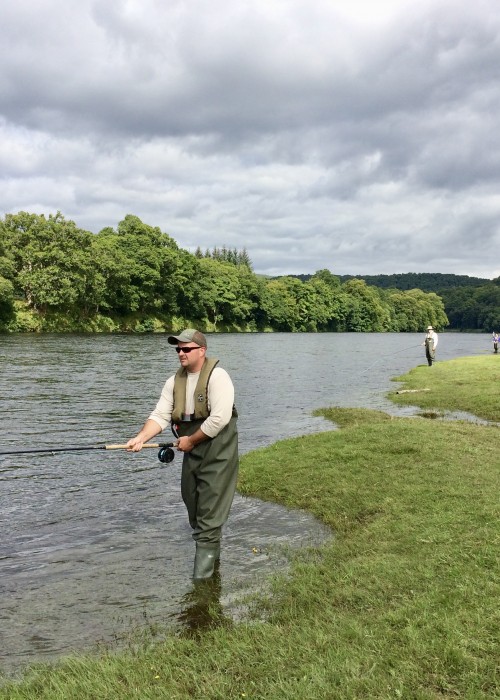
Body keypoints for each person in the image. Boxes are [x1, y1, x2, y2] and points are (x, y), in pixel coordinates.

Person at [126, 329, 239, 580]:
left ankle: (201, 588)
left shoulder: (218, 377)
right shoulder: (173, 381)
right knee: (195, 510)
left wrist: (191, 440)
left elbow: (220, 418)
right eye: (177, 349)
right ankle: (213, 565)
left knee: (209, 520)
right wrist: (140, 438)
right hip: (191, 451)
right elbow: (160, 415)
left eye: (186, 349)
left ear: (202, 350)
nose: (180, 353)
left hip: (218, 453)